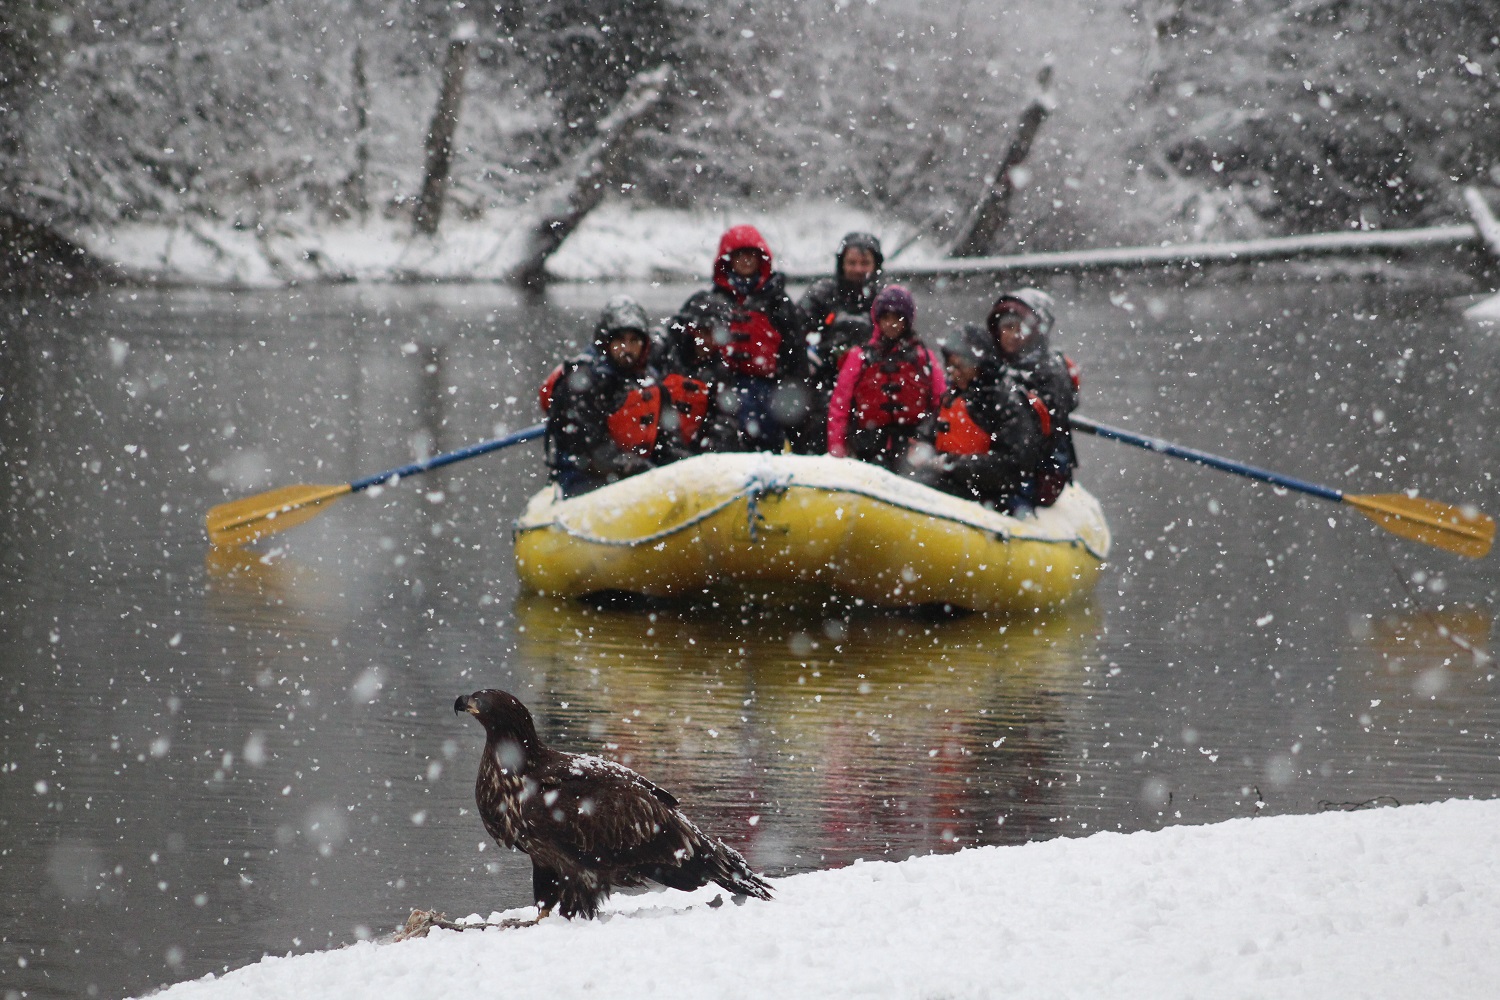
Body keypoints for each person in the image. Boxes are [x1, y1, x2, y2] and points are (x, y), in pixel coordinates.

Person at [672, 225, 809, 451]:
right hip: (719, 387)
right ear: (728, 260)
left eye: (751, 255)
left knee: (765, 438)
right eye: (739, 255)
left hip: (767, 393)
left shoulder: (778, 304)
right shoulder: (708, 302)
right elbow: (681, 344)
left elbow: (795, 356)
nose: (746, 261)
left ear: (761, 259)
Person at [545, 296, 689, 498]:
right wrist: (635, 468)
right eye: (620, 340)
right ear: (605, 342)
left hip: (635, 477)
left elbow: (670, 443)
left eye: (634, 341)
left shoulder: (652, 384)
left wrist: (686, 467)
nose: (627, 349)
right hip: (583, 481)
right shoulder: (582, 385)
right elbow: (590, 451)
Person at [917, 322, 1046, 512]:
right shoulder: (953, 395)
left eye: (961, 366)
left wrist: (953, 465)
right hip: (947, 484)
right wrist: (922, 453)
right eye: (950, 366)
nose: (954, 373)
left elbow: (1012, 466)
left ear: (980, 365)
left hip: (987, 498)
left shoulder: (1007, 403)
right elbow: (926, 435)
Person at [826, 285, 946, 471]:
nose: (891, 323)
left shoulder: (923, 357)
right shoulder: (860, 357)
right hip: (867, 446)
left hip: (913, 448)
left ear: (907, 320)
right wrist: (837, 451)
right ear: (877, 319)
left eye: (897, 318)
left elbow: (940, 402)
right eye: (886, 317)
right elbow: (839, 407)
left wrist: (929, 438)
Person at [985, 288, 1080, 507]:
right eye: (1007, 327)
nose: (1013, 335)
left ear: (1035, 331)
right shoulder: (994, 365)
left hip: (1037, 473)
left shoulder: (1050, 372)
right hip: (1003, 461)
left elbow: (1034, 439)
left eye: (1021, 328)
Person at [795, 232, 884, 452]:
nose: (858, 269)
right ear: (841, 264)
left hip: (870, 379)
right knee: (817, 421)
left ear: (876, 265)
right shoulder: (822, 294)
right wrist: (808, 355)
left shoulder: (884, 298)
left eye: (865, 263)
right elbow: (794, 331)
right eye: (852, 263)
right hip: (825, 378)